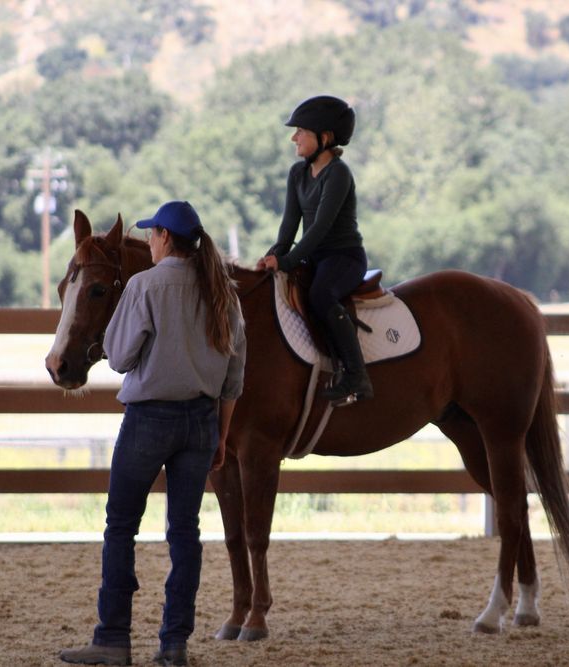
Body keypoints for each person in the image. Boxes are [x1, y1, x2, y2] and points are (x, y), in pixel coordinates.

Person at [59, 200, 246, 667]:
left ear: (164, 237)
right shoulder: (222, 291)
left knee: (121, 526)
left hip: (148, 420)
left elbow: (120, 358)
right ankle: (174, 644)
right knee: (184, 532)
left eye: (152, 235)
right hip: (201, 422)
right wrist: (222, 435)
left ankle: (112, 639)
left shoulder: (144, 284)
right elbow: (233, 375)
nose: (150, 242)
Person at [256, 94, 373, 406]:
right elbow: (289, 226)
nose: (294, 137)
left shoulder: (338, 173)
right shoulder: (297, 173)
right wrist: (272, 256)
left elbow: (320, 227)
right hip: (314, 257)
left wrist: (287, 261)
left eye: (301, 132)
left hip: (344, 257)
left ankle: (356, 374)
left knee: (321, 295)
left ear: (325, 137)